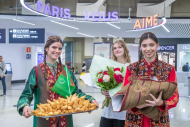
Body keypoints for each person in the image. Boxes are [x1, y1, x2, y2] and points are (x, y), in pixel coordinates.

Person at [17, 36, 99, 127]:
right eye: (54, 47)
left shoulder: (66, 71)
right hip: (44, 118)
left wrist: (90, 99)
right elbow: (27, 94)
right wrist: (25, 105)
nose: (57, 51)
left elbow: (75, 92)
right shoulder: (36, 71)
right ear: (46, 48)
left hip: (65, 118)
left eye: (60, 48)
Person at [123, 32, 179, 127]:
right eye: (144, 45)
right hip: (134, 119)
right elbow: (124, 94)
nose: (148, 49)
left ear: (157, 45)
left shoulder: (168, 69)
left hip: (159, 119)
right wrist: (135, 105)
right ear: (141, 47)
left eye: (151, 45)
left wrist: (160, 103)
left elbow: (174, 96)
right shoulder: (131, 68)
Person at [100, 40, 131, 127]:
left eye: (120, 47)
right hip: (108, 109)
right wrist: (103, 91)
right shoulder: (109, 66)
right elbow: (102, 85)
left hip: (123, 109)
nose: (117, 49)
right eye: (115, 48)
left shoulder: (130, 68)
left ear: (125, 49)